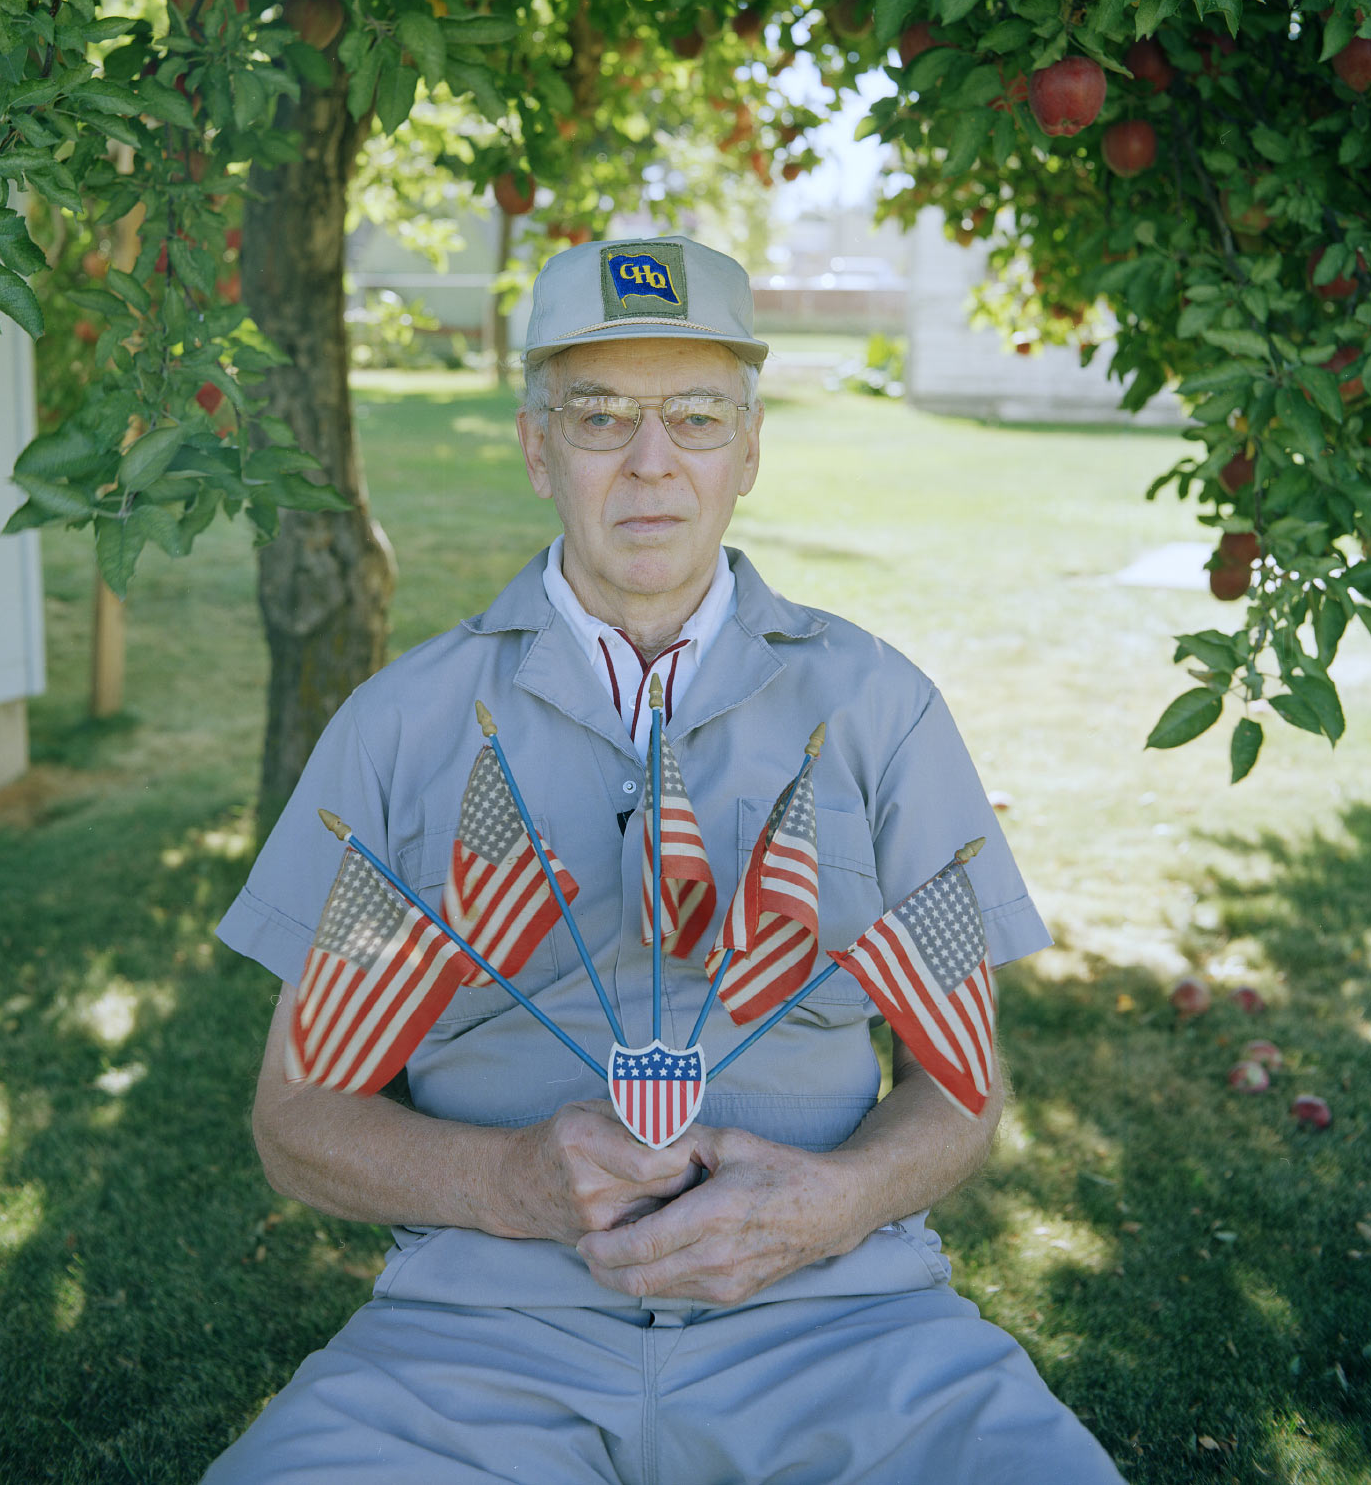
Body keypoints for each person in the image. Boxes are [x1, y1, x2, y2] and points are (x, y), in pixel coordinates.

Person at [206, 235, 1124, 1483]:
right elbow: (295, 1119)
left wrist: (833, 1202)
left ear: (749, 449)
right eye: (600, 416)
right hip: (477, 1337)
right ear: (538, 447)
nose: (651, 462)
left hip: (844, 1319)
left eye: (696, 415)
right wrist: (515, 1179)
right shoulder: (404, 723)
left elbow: (961, 1085)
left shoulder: (877, 707)